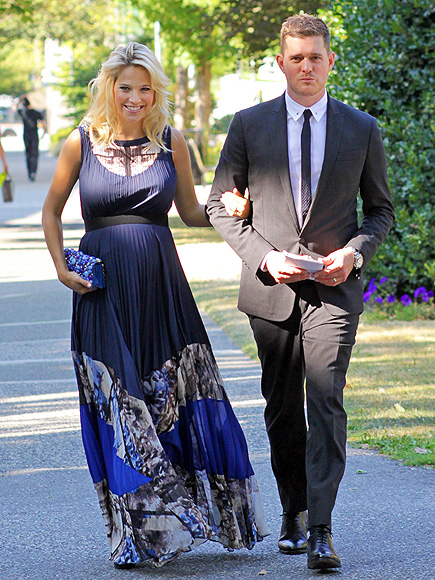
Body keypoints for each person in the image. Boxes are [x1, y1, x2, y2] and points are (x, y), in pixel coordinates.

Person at [42, 42, 267, 569]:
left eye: (145, 88)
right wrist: (60, 267)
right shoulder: (80, 141)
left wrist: (232, 206)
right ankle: (132, 533)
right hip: (102, 291)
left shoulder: (172, 142)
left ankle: (181, 521)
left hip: (162, 285)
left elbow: (190, 211)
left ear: (156, 91)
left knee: (171, 398)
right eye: (126, 87)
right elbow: (51, 211)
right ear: (108, 87)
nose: (135, 97)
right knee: (119, 403)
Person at [207, 14, 395, 571]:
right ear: (281, 62)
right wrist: (265, 257)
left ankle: (320, 529)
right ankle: (293, 510)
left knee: (326, 400)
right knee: (283, 406)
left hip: (334, 292)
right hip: (271, 290)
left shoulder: (362, 128)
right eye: (297, 58)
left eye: (316, 57)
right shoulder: (249, 125)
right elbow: (219, 204)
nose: (307, 66)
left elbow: (380, 211)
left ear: (330, 60)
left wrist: (354, 253)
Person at [17, 96, 46, 181]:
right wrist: (44, 133)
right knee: (35, 154)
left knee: (28, 154)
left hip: (26, 136)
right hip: (34, 136)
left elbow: (15, 108)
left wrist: (19, 100)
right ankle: (33, 172)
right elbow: (43, 122)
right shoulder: (35, 112)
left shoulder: (22, 112)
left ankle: (30, 172)